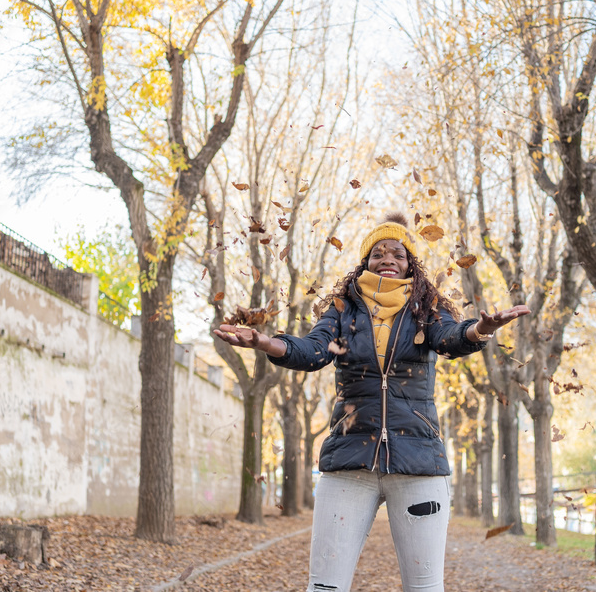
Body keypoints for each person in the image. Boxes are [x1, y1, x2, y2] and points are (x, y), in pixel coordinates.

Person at [213, 213, 530, 592]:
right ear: (365, 262)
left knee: (425, 589)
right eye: (378, 253)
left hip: (418, 465)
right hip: (349, 462)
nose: (388, 260)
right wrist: (265, 343)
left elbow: (450, 339)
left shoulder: (426, 310)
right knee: (325, 588)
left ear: (410, 262)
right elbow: (312, 351)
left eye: (398, 253)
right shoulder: (342, 310)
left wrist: (482, 329)